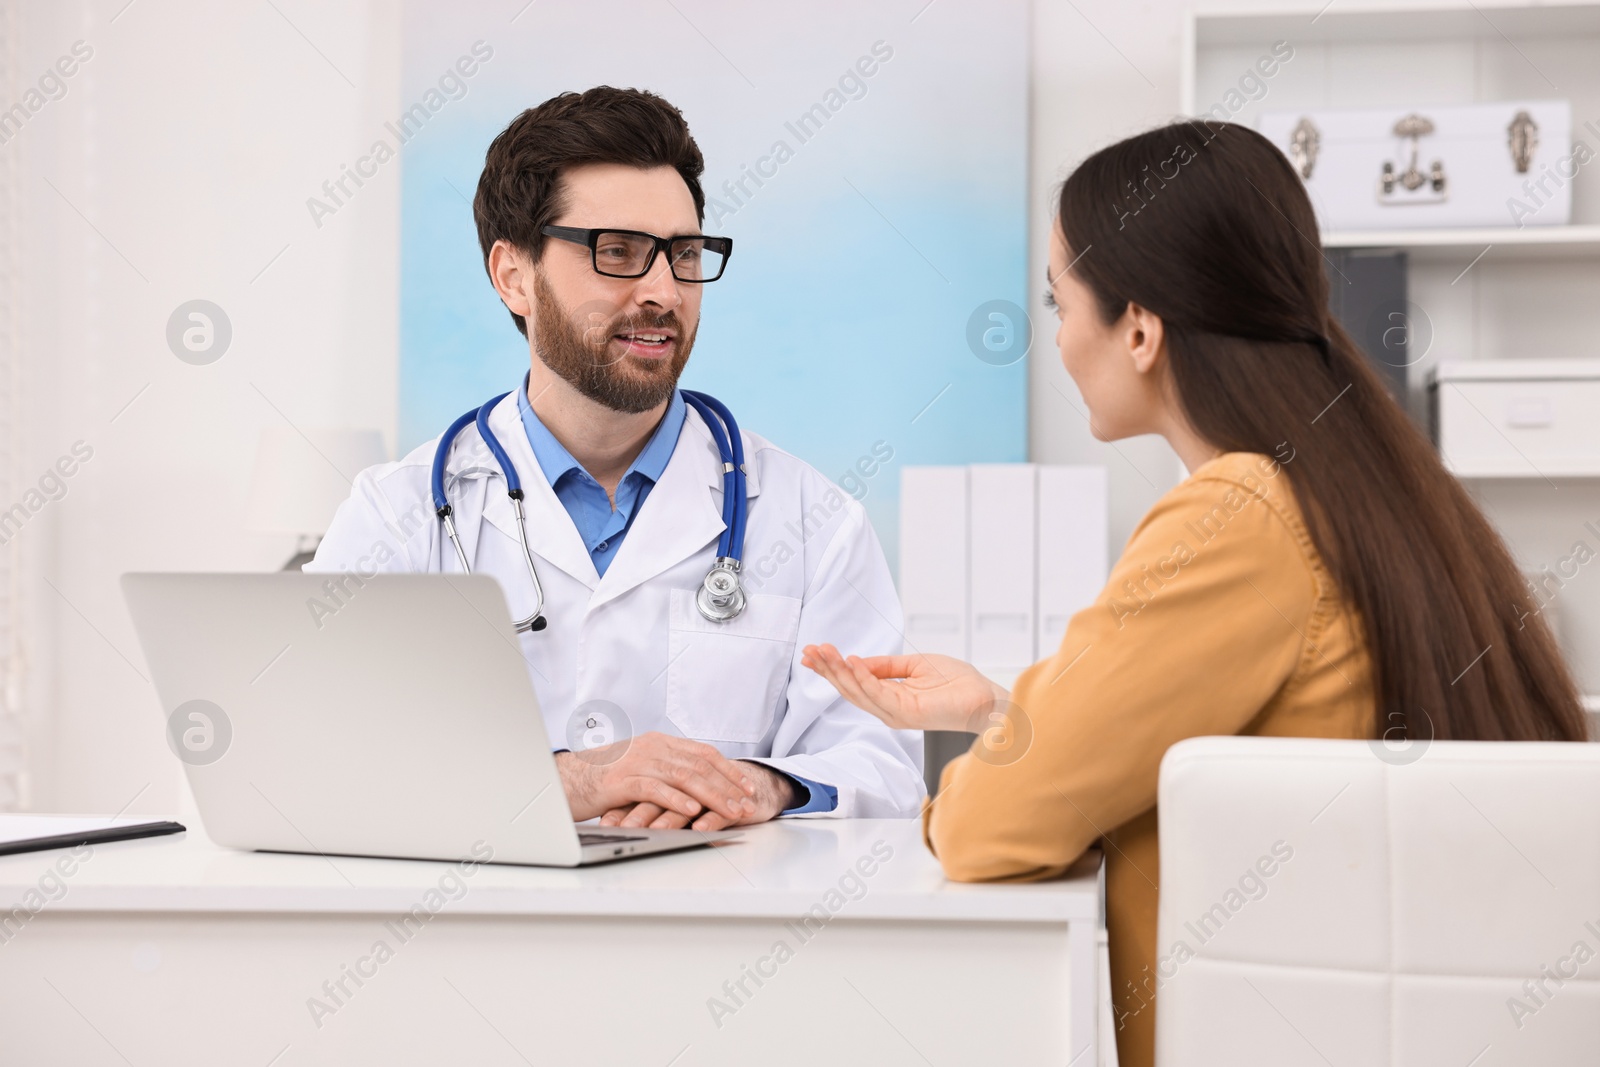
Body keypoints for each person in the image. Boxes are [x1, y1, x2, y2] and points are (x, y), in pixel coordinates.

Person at [802, 119, 1586, 1067]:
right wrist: (1004, 709)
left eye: (1059, 304)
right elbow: (1254, 744)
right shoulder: (1351, 484)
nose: (1055, 339)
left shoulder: (1236, 514)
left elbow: (985, 828)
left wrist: (995, 762)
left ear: (1137, 327)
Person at [308, 87, 924, 832]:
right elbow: (314, 764)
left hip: (718, 934)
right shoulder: (398, 516)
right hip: (474, 939)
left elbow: (884, 767)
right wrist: (563, 783)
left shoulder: (812, 519)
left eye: (685, 254)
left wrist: (771, 785)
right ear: (514, 275)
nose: (664, 292)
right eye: (619, 252)